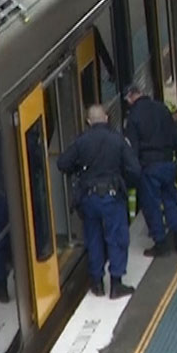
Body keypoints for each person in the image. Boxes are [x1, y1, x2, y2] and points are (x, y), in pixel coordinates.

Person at [57, 104, 141, 298]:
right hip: (111, 196)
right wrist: (123, 184)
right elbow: (135, 169)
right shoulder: (117, 140)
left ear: (88, 121)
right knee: (117, 237)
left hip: (88, 198)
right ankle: (116, 283)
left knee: (93, 238)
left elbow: (63, 163)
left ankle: (97, 283)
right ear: (106, 118)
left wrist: (79, 170)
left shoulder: (81, 142)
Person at [125, 83, 177, 257]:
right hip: (168, 163)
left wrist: (133, 171)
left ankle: (161, 243)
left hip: (149, 167)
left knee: (151, 206)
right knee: (170, 200)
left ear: (131, 97)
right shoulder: (162, 108)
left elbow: (133, 149)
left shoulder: (133, 118)